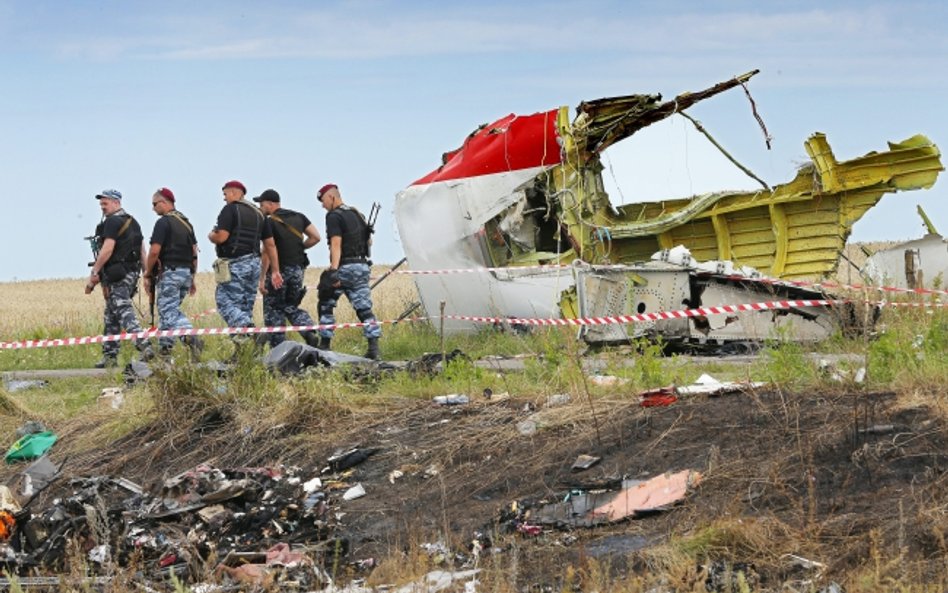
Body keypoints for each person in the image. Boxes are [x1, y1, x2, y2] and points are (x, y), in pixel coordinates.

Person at [84, 189, 154, 367]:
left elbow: (107, 249)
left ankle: (143, 344)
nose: (102, 208)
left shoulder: (112, 222)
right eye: (101, 204)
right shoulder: (133, 222)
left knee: (122, 308)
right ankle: (110, 356)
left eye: (105, 204)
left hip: (118, 274)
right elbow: (142, 251)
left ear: (116, 203)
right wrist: (147, 274)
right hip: (131, 273)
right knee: (111, 314)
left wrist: (94, 273)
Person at [208, 180, 282, 341]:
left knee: (225, 303)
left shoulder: (230, 210)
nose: (224, 198)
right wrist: (275, 270)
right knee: (244, 306)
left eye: (225, 194)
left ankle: (250, 329)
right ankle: (242, 350)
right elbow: (270, 244)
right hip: (255, 264)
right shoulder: (259, 214)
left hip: (236, 264)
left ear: (235, 193)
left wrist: (211, 235)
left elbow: (221, 237)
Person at [315, 183, 381, 360]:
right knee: (364, 309)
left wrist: (334, 271)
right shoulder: (356, 214)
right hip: (362, 266)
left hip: (345, 266)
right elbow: (369, 242)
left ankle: (325, 345)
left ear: (331, 197)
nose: (323, 206)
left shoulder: (334, 216)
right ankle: (374, 349)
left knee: (325, 302)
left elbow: (336, 244)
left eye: (323, 201)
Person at [255, 189, 323, 348]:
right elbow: (316, 237)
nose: (260, 208)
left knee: (273, 310)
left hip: (278, 272)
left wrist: (263, 278)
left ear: (271, 204)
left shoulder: (269, 222)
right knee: (289, 306)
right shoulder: (299, 216)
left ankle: (278, 350)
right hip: (298, 271)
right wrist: (300, 247)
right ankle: (308, 331)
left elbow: (267, 251)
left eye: (262, 204)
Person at [143, 187, 202, 357]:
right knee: (168, 309)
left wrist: (147, 273)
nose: (153, 208)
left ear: (164, 202)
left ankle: (190, 338)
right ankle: (165, 349)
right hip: (186, 273)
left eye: (154, 204)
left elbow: (154, 251)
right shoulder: (186, 223)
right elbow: (194, 253)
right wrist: (192, 278)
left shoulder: (164, 223)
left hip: (170, 272)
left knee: (168, 310)